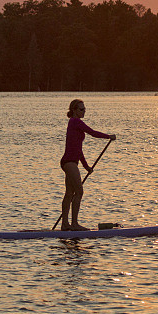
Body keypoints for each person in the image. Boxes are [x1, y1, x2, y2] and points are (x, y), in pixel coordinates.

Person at [59, 99, 116, 231]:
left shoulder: (74, 123)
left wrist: (86, 167)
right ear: (74, 110)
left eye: (85, 109)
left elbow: (79, 150)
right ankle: (74, 224)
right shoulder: (75, 121)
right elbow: (92, 132)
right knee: (79, 192)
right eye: (81, 109)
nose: (84, 111)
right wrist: (108, 136)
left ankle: (65, 225)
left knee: (69, 193)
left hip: (70, 162)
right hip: (69, 162)